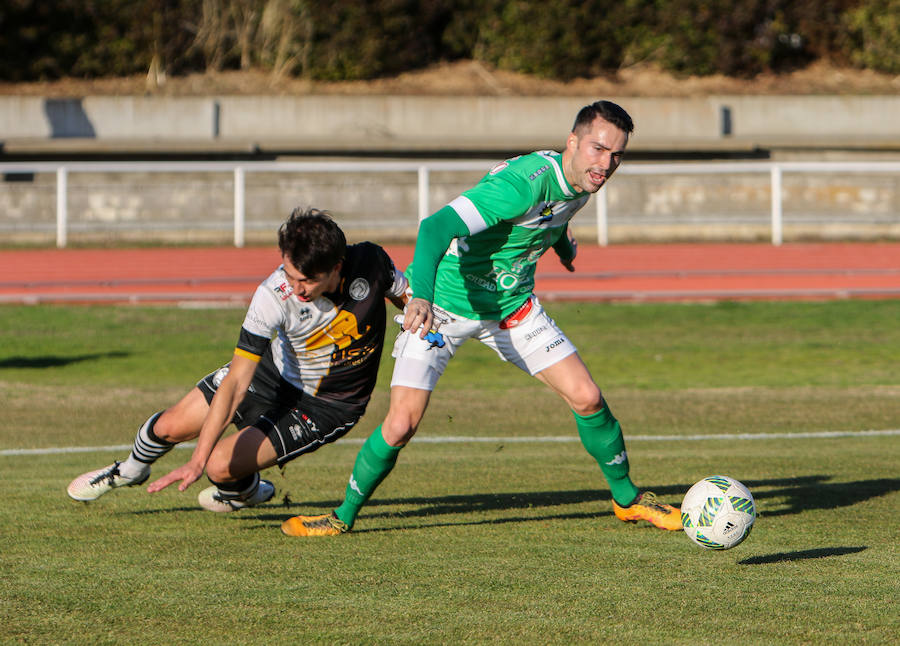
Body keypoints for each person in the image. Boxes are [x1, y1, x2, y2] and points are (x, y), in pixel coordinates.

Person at [282, 100, 682, 536]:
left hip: (511, 309)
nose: (606, 164)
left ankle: (627, 501)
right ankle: (340, 517)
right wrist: (422, 301)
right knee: (400, 424)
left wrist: (564, 248)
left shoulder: (581, 179)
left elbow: (549, 221)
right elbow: (434, 227)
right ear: (572, 142)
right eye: (597, 149)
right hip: (443, 309)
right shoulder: (520, 186)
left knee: (586, 397)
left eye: (616, 155)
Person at [67, 207, 408, 511]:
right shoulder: (272, 295)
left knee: (219, 466)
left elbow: (407, 296)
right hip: (274, 372)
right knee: (169, 426)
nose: (297, 288)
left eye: (307, 281)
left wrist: (425, 323)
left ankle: (245, 492)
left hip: (329, 403)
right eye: (290, 274)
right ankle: (130, 470)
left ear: (336, 267)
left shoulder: (371, 261)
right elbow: (237, 383)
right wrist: (194, 459)